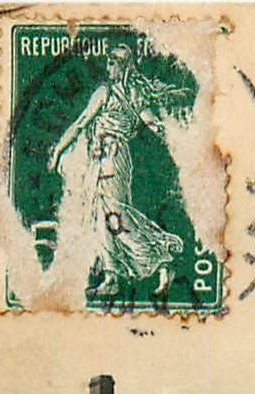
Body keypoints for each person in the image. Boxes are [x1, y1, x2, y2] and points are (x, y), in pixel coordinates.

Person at [46, 44, 192, 297]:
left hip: (108, 159)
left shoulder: (105, 92)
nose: (108, 67)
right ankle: (121, 270)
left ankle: (156, 258)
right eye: (108, 62)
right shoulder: (135, 96)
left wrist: (58, 150)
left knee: (110, 214)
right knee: (108, 215)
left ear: (124, 66)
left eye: (113, 62)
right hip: (115, 159)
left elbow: (81, 123)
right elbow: (152, 123)